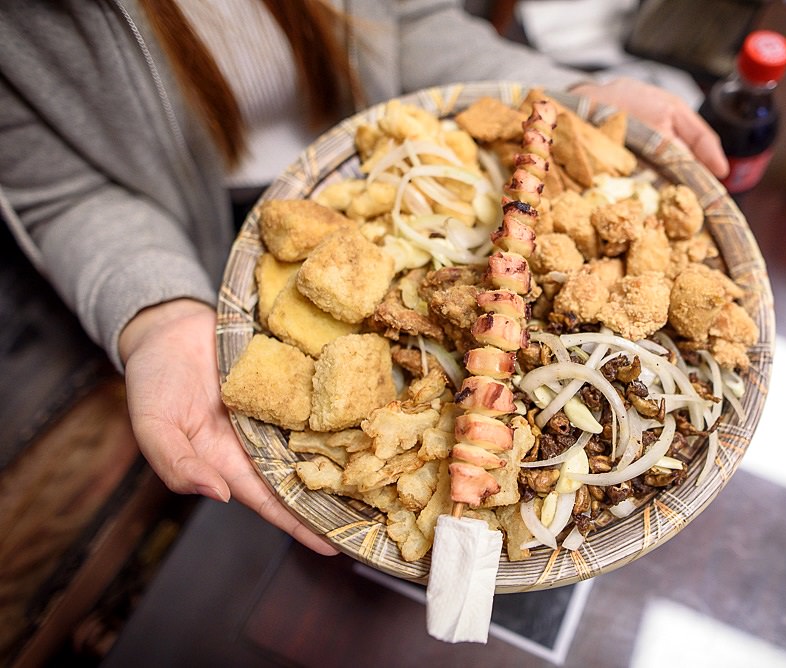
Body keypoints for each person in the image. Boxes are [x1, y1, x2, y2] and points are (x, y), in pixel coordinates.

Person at [0, 0, 727, 556]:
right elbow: (58, 189)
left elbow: (411, 19)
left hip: (392, 145)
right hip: (184, 225)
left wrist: (568, 91)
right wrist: (156, 314)